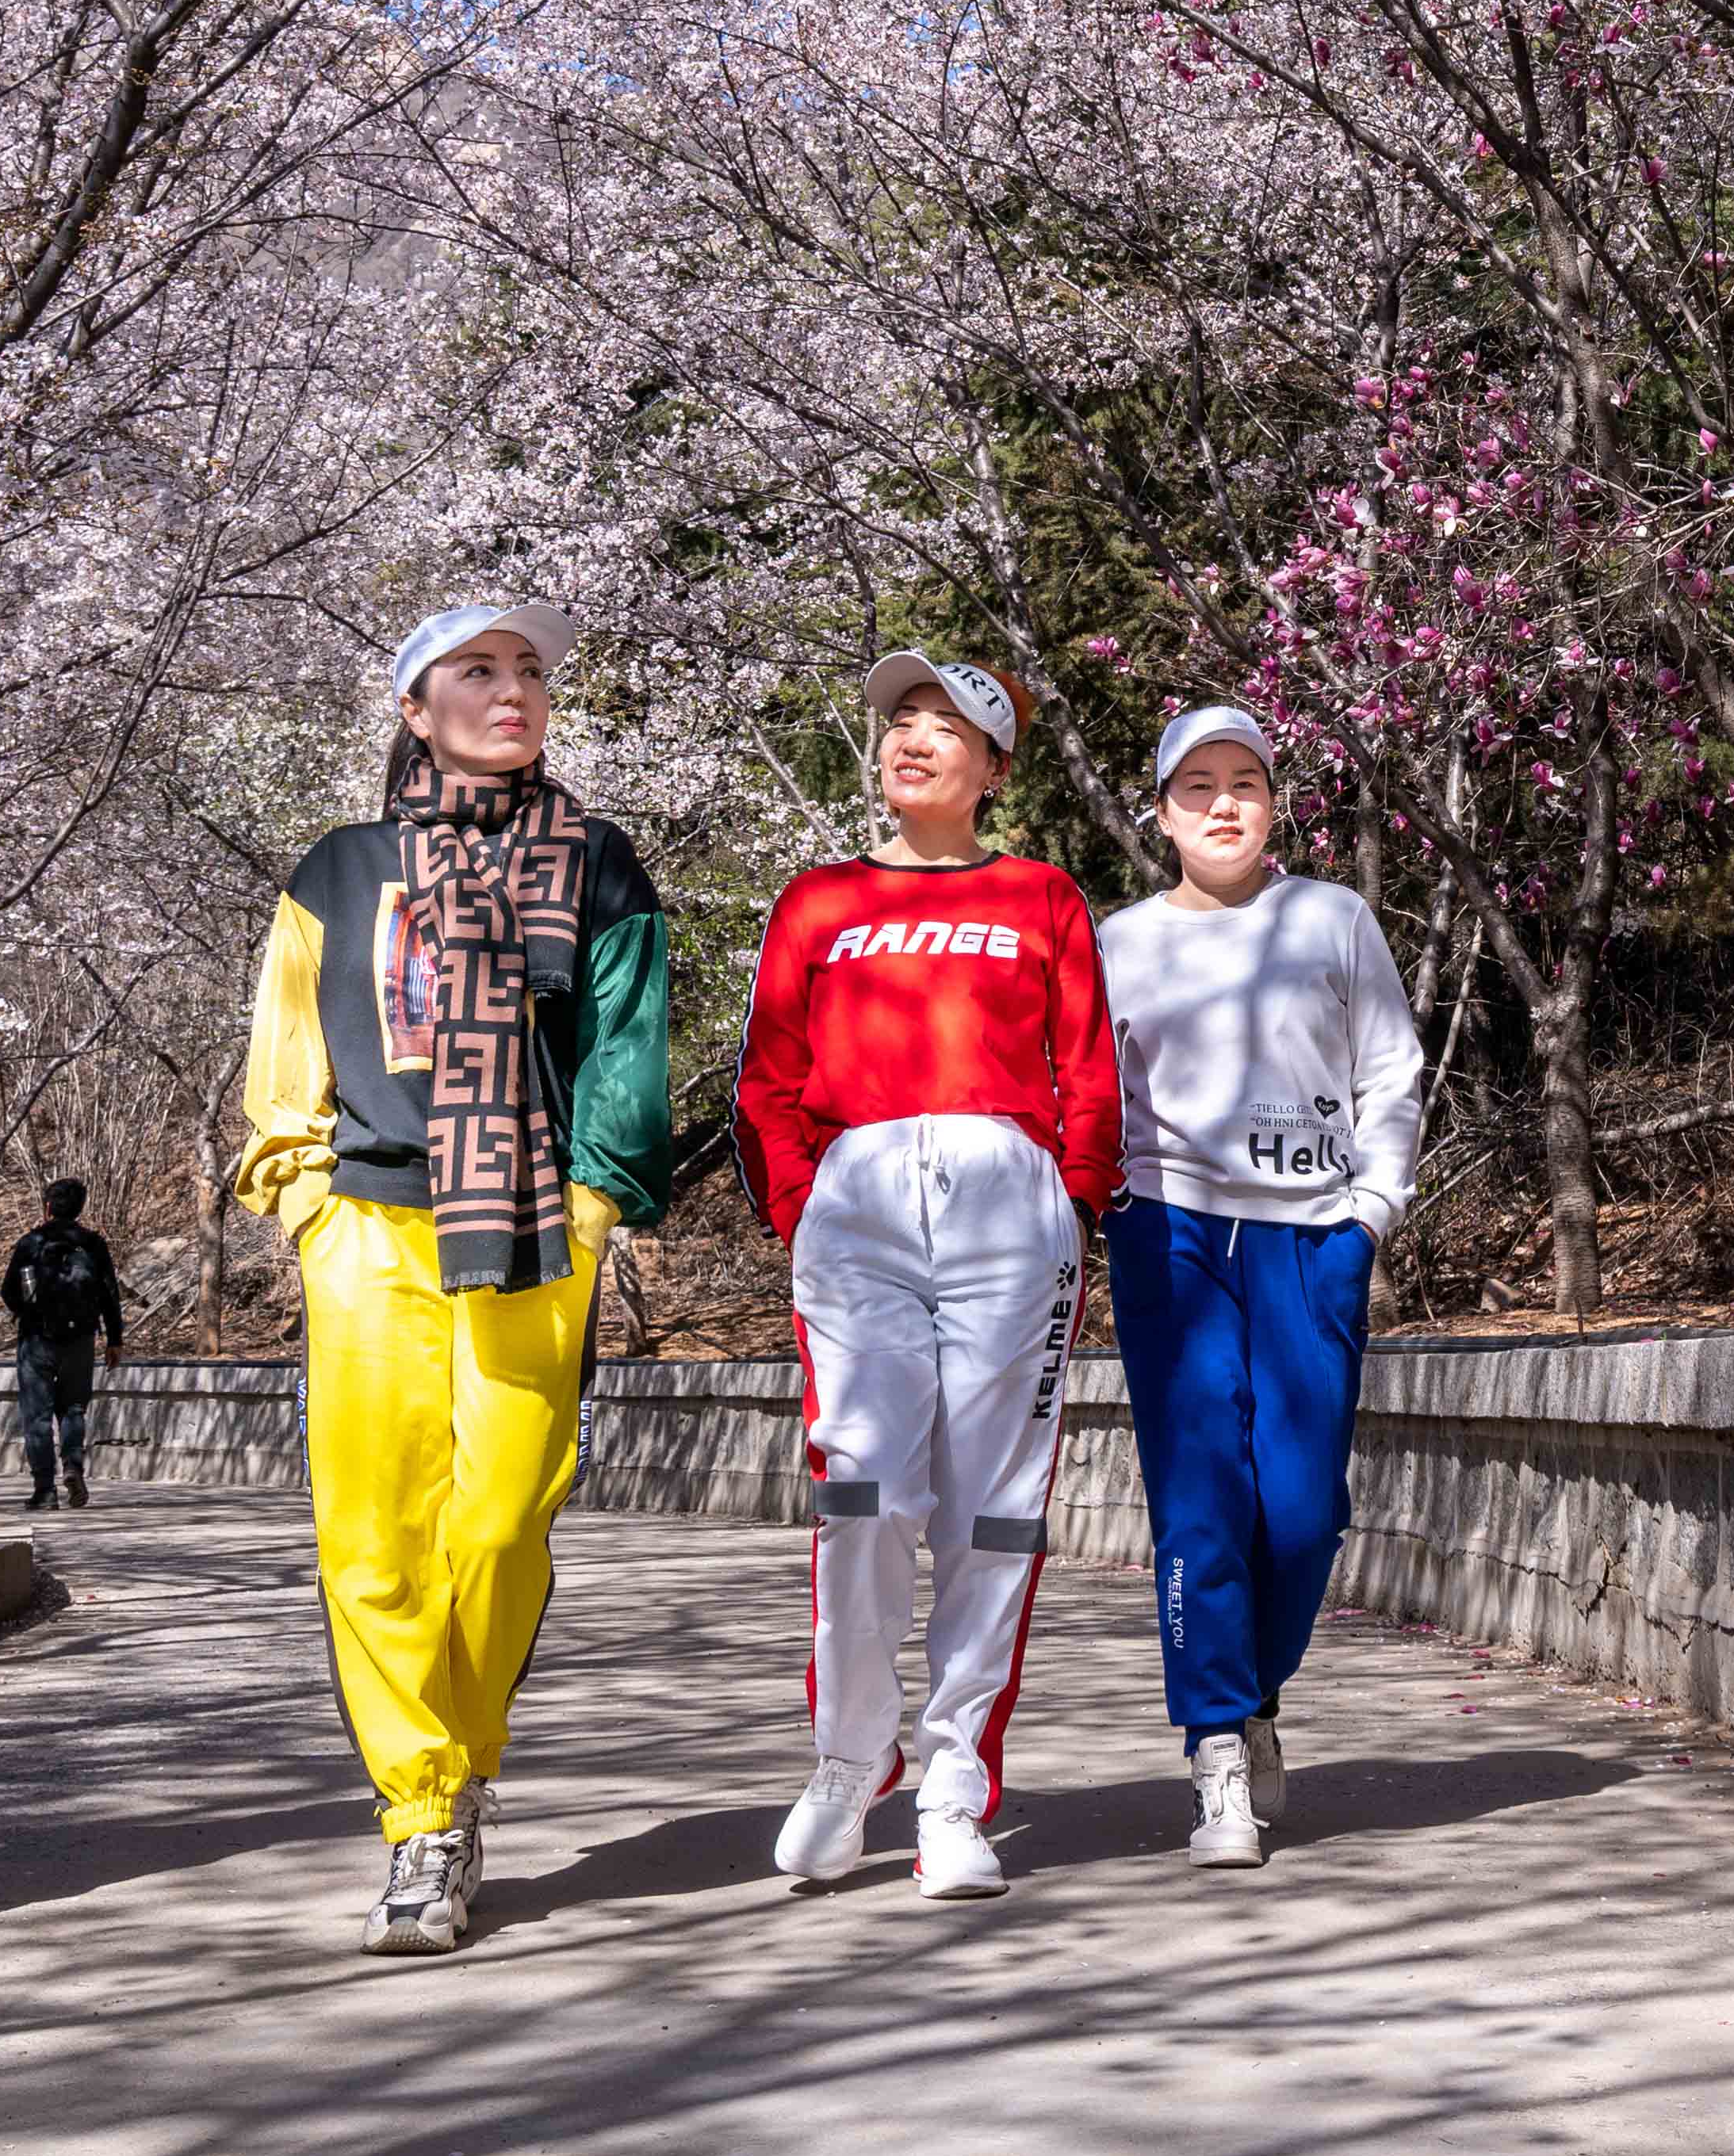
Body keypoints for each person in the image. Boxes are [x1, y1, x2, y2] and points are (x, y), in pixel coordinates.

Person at [236, 602, 673, 1959]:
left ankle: (464, 1749)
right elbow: (285, 1043)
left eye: (531, 670)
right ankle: (421, 1813)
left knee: (496, 1520)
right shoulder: (339, 866)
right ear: (415, 712)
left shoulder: (599, 865)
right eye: (477, 672)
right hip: (368, 1224)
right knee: (372, 1536)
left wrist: (596, 1205)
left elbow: (627, 1050)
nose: (513, 691)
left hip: (535, 1226)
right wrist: (302, 1200)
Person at [734, 653, 1118, 1904]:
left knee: (992, 1506)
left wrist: (1069, 1192)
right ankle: (853, 1760)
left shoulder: (1040, 894)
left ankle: (956, 1788)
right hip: (857, 1205)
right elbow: (767, 1076)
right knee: (863, 1489)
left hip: (1010, 1200)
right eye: (900, 719)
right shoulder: (818, 899)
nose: (914, 738)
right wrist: (805, 1204)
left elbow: (1090, 1066)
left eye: (947, 726)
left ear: (994, 768)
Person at [1098, 703, 1424, 1864]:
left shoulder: (1328, 916)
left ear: (1276, 801)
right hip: (1170, 1230)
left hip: (1309, 1235)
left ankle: (1256, 1691)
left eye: (1246, 780)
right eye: (1198, 786)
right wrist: (1105, 1208)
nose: (1224, 802)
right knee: (1200, 1499)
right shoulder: (1120, 940)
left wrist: (1369, 1212)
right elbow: (1088, 1095)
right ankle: (1219, 1747)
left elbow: (1391, 1067)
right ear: (1163, 812)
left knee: (1299, 1507)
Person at [0, 1179, 127, 1512]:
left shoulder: (31, 1243)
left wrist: (28, 1312)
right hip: (81, 1340)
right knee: (73, 1408)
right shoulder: (93, 1244)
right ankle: (72, 1465)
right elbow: (110, 1293)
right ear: (80, 1208)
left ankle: (45, 1491)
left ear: (47, 1207)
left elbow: (10, 1291)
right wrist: (114, 1339)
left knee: (37, 1416)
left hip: (37, 1340)